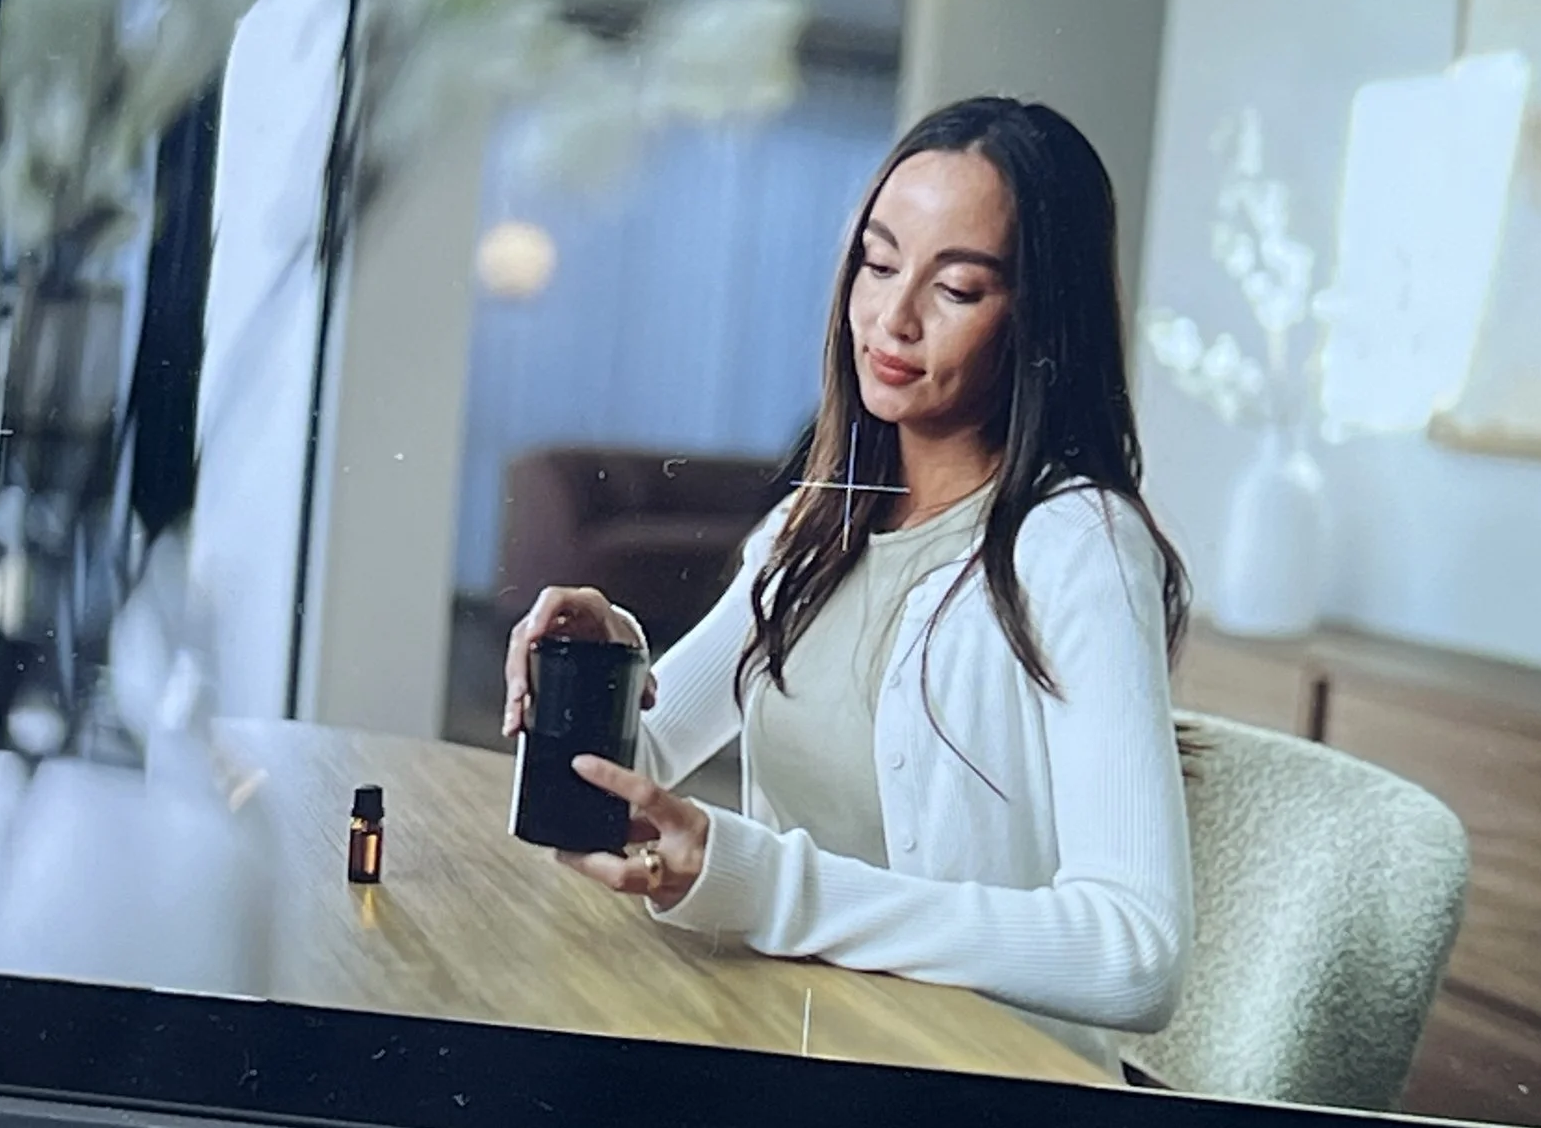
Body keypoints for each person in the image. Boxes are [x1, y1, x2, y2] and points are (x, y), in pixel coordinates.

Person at [501, 96, 1197, 1077]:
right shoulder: (813, 526)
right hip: (798, 1043)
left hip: (978, 1089)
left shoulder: (1074, 544)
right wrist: (600, 676)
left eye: (955, 288)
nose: (892, 316)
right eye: (877, 263)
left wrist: (767, 887)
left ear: (1040, 322)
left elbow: (1138, 953)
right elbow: (641, 770)